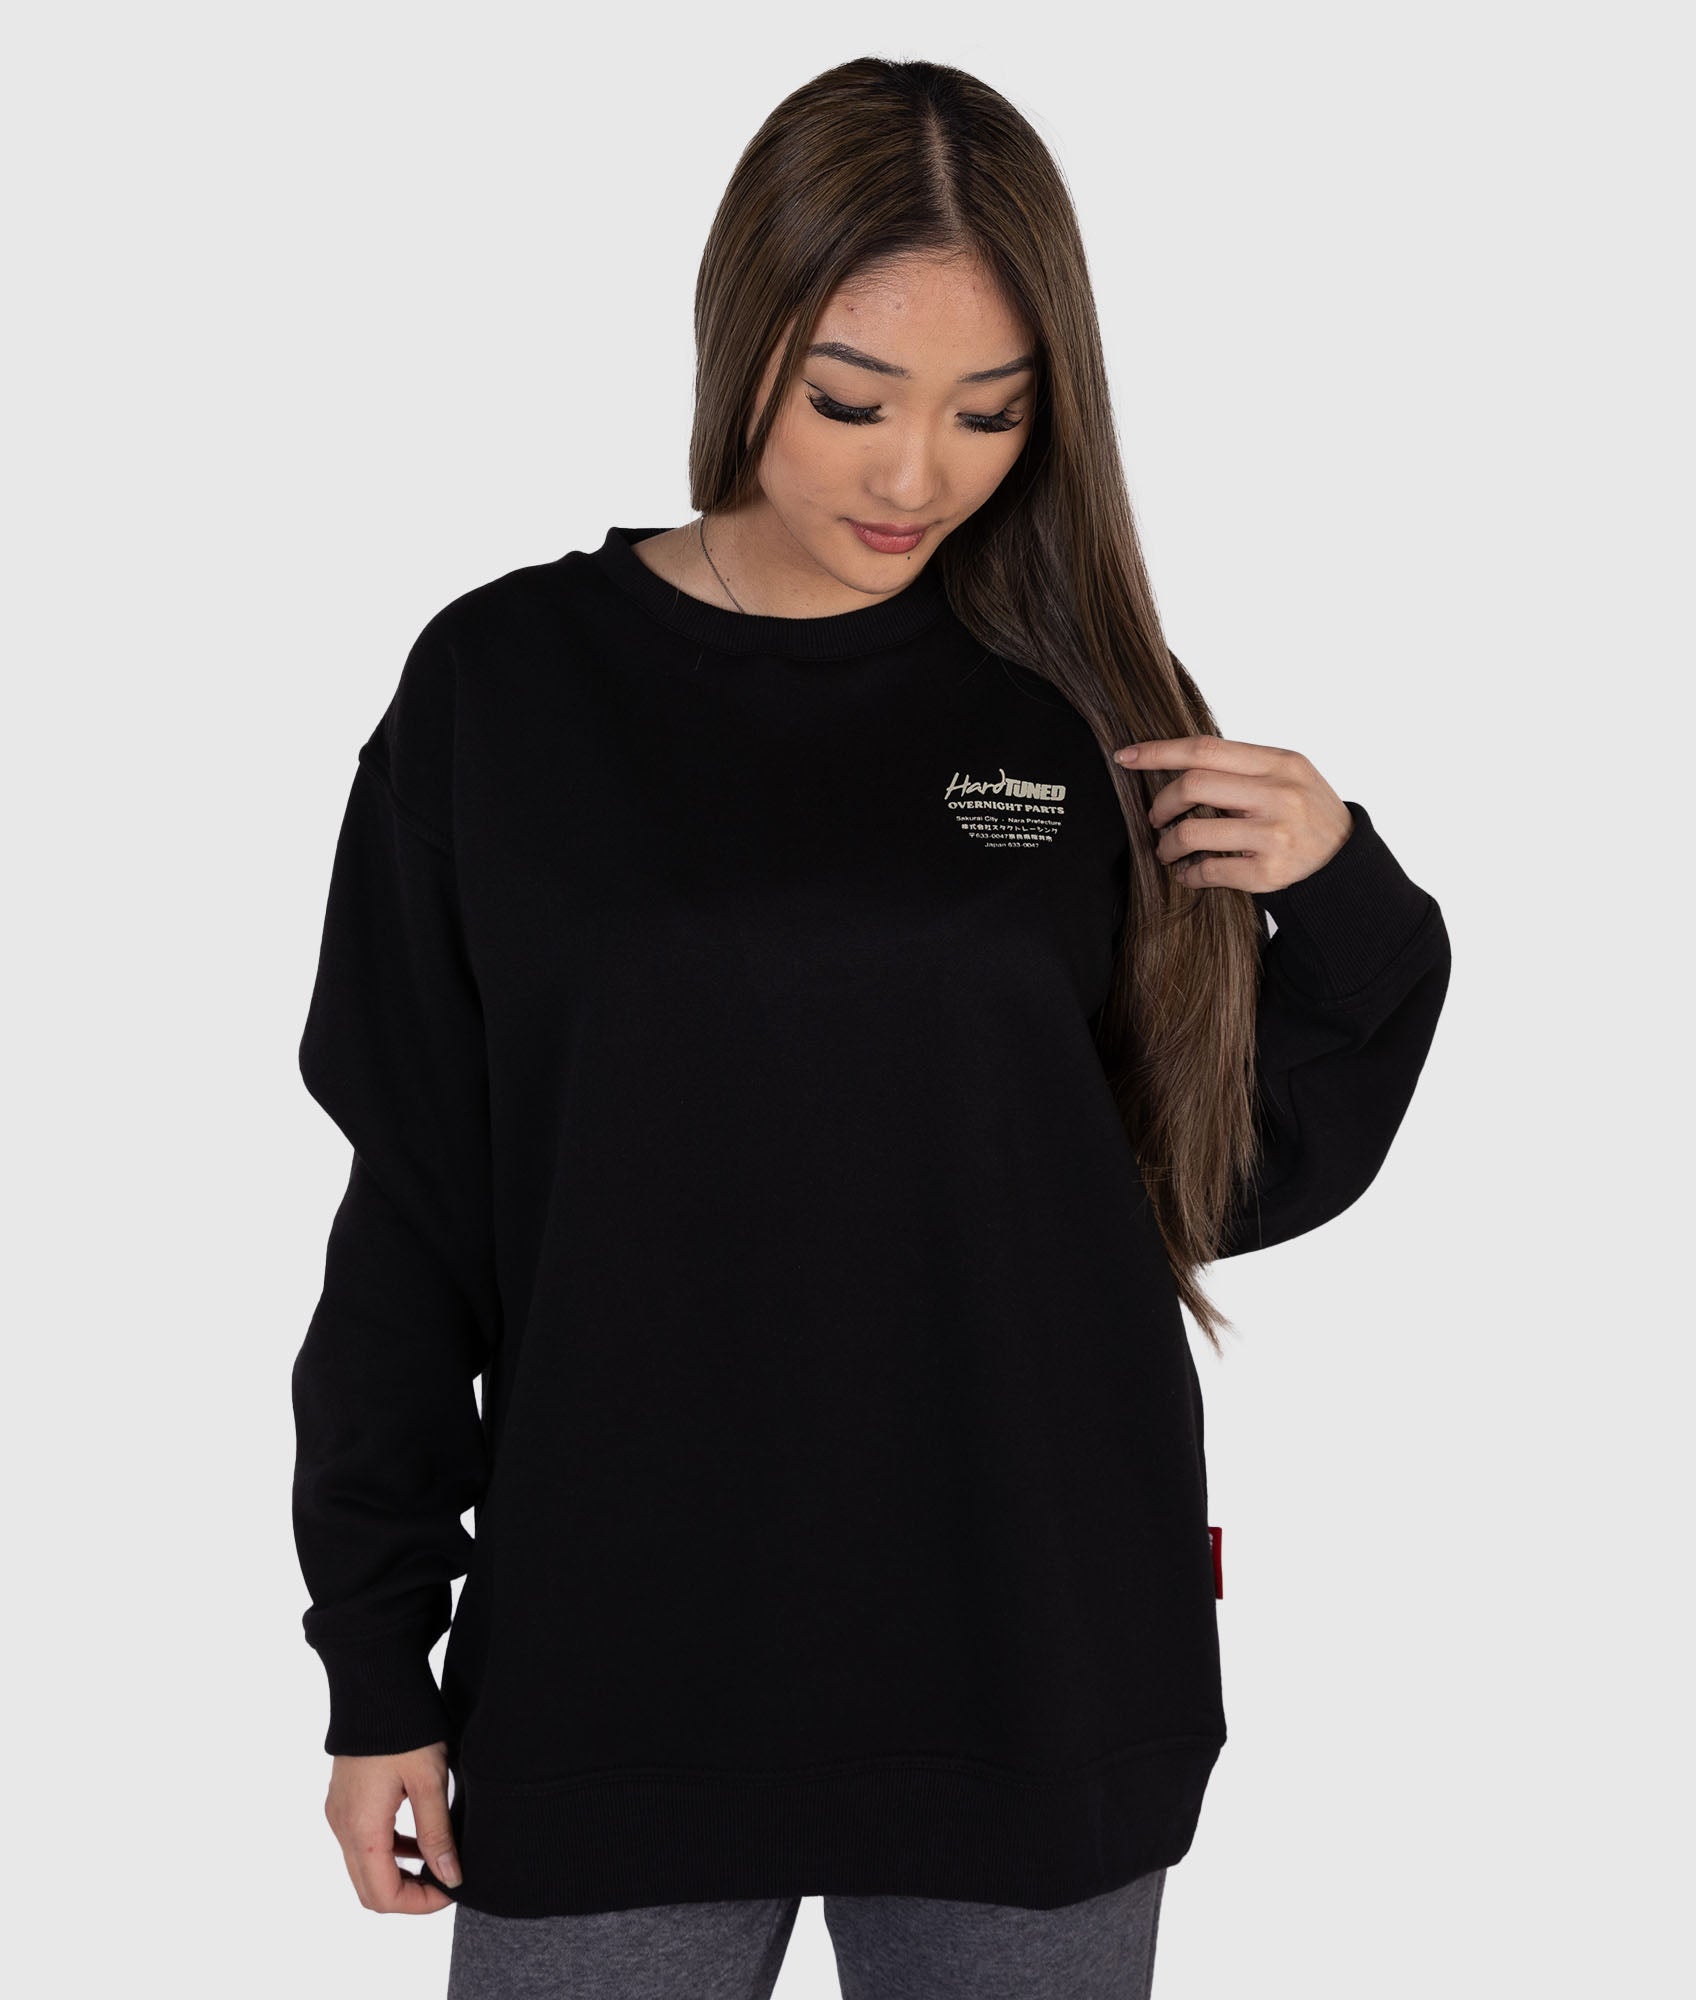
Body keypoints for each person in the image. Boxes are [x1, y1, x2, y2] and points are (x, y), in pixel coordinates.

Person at [291, 54, 1452, 2000]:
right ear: (741, 336)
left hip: (1033, 1662)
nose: (916, 476)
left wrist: (1342, 896)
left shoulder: (1076, 696)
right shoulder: (503, 688)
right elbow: (416, 1207)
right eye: (853, 400)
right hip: (618, 1661)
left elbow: (1190, 1173)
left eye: (991, 412)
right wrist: (374, 1659)